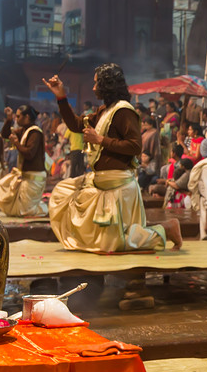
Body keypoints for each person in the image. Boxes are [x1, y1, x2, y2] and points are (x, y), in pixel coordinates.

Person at [43, 65, 182, 252]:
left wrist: (100, 139)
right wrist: (61, 96)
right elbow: (76, 125)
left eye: (96, 83)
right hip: (100, 182)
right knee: (62, 193)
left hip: (117, 184)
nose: (93, 88)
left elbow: (135, 146)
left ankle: (166, 229)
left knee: (114, 244)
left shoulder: (124, 111)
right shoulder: (104, 111)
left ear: (106, 84)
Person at [0, 105, 48, 218]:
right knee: (2, 188)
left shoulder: (35, 133)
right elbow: (5, 135)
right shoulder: (24, 130)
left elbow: (29, 154)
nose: (16, 119)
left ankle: (46, 209)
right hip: (25, 176)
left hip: (34, 177)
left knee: (24, 211)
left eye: (18, 116)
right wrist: (8, 119)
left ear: (26, 117)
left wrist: (17, 143)